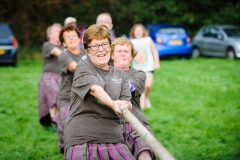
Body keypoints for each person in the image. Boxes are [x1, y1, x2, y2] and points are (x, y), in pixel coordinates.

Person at [64, 24, 135, 160]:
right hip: (81, 135)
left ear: (110, 47)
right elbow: (95, 89)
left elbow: (128, 102)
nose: (101, 49)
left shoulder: (121, 75)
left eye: (105, 44)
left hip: (112, 135)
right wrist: (112, 104)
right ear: (87, 50)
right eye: (95, 46)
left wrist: (126, 105)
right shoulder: (83, 67)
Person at [111, 37, 155, 160]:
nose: (123, 54)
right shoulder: (103, 73)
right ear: (112, 55)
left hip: (136, 122)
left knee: (145, 152)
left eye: (126, 51)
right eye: (119, 51)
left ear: (131, 56)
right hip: (110, 124)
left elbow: (130, 87)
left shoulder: (139, 74)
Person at [56, 25, 87, 153]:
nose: (72, 38)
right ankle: (66, 148)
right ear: (64, 43)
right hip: (67, 97)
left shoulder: (87, 53)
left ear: (79, 38)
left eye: (74, 35)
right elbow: (75, 67)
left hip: (85, 97)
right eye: (67, 37)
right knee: (66, 125)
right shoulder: (64, 56)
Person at [38, 23, 64, 130]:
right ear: (50, 35)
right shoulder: (47, 45)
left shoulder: (64, 46)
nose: (60, 33)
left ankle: (58, 120)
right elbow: (58, 52)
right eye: (57, 31)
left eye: (60, 31)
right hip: (48, 76)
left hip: (62, 77)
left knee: (64, 94)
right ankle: (55, 120)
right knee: (55, 91)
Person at [130, 24, 160, 109]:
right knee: (141, 87)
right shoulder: (131, 41)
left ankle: (146, 98)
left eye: (140, 30)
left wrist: (157, 63)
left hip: (149, 66)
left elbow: (154, 52)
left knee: (148, 85)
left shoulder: (148, 39)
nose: (138, 32)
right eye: (136, 30)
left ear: (143, 32)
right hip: (137, 68)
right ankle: (141, 107)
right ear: (133, 32)